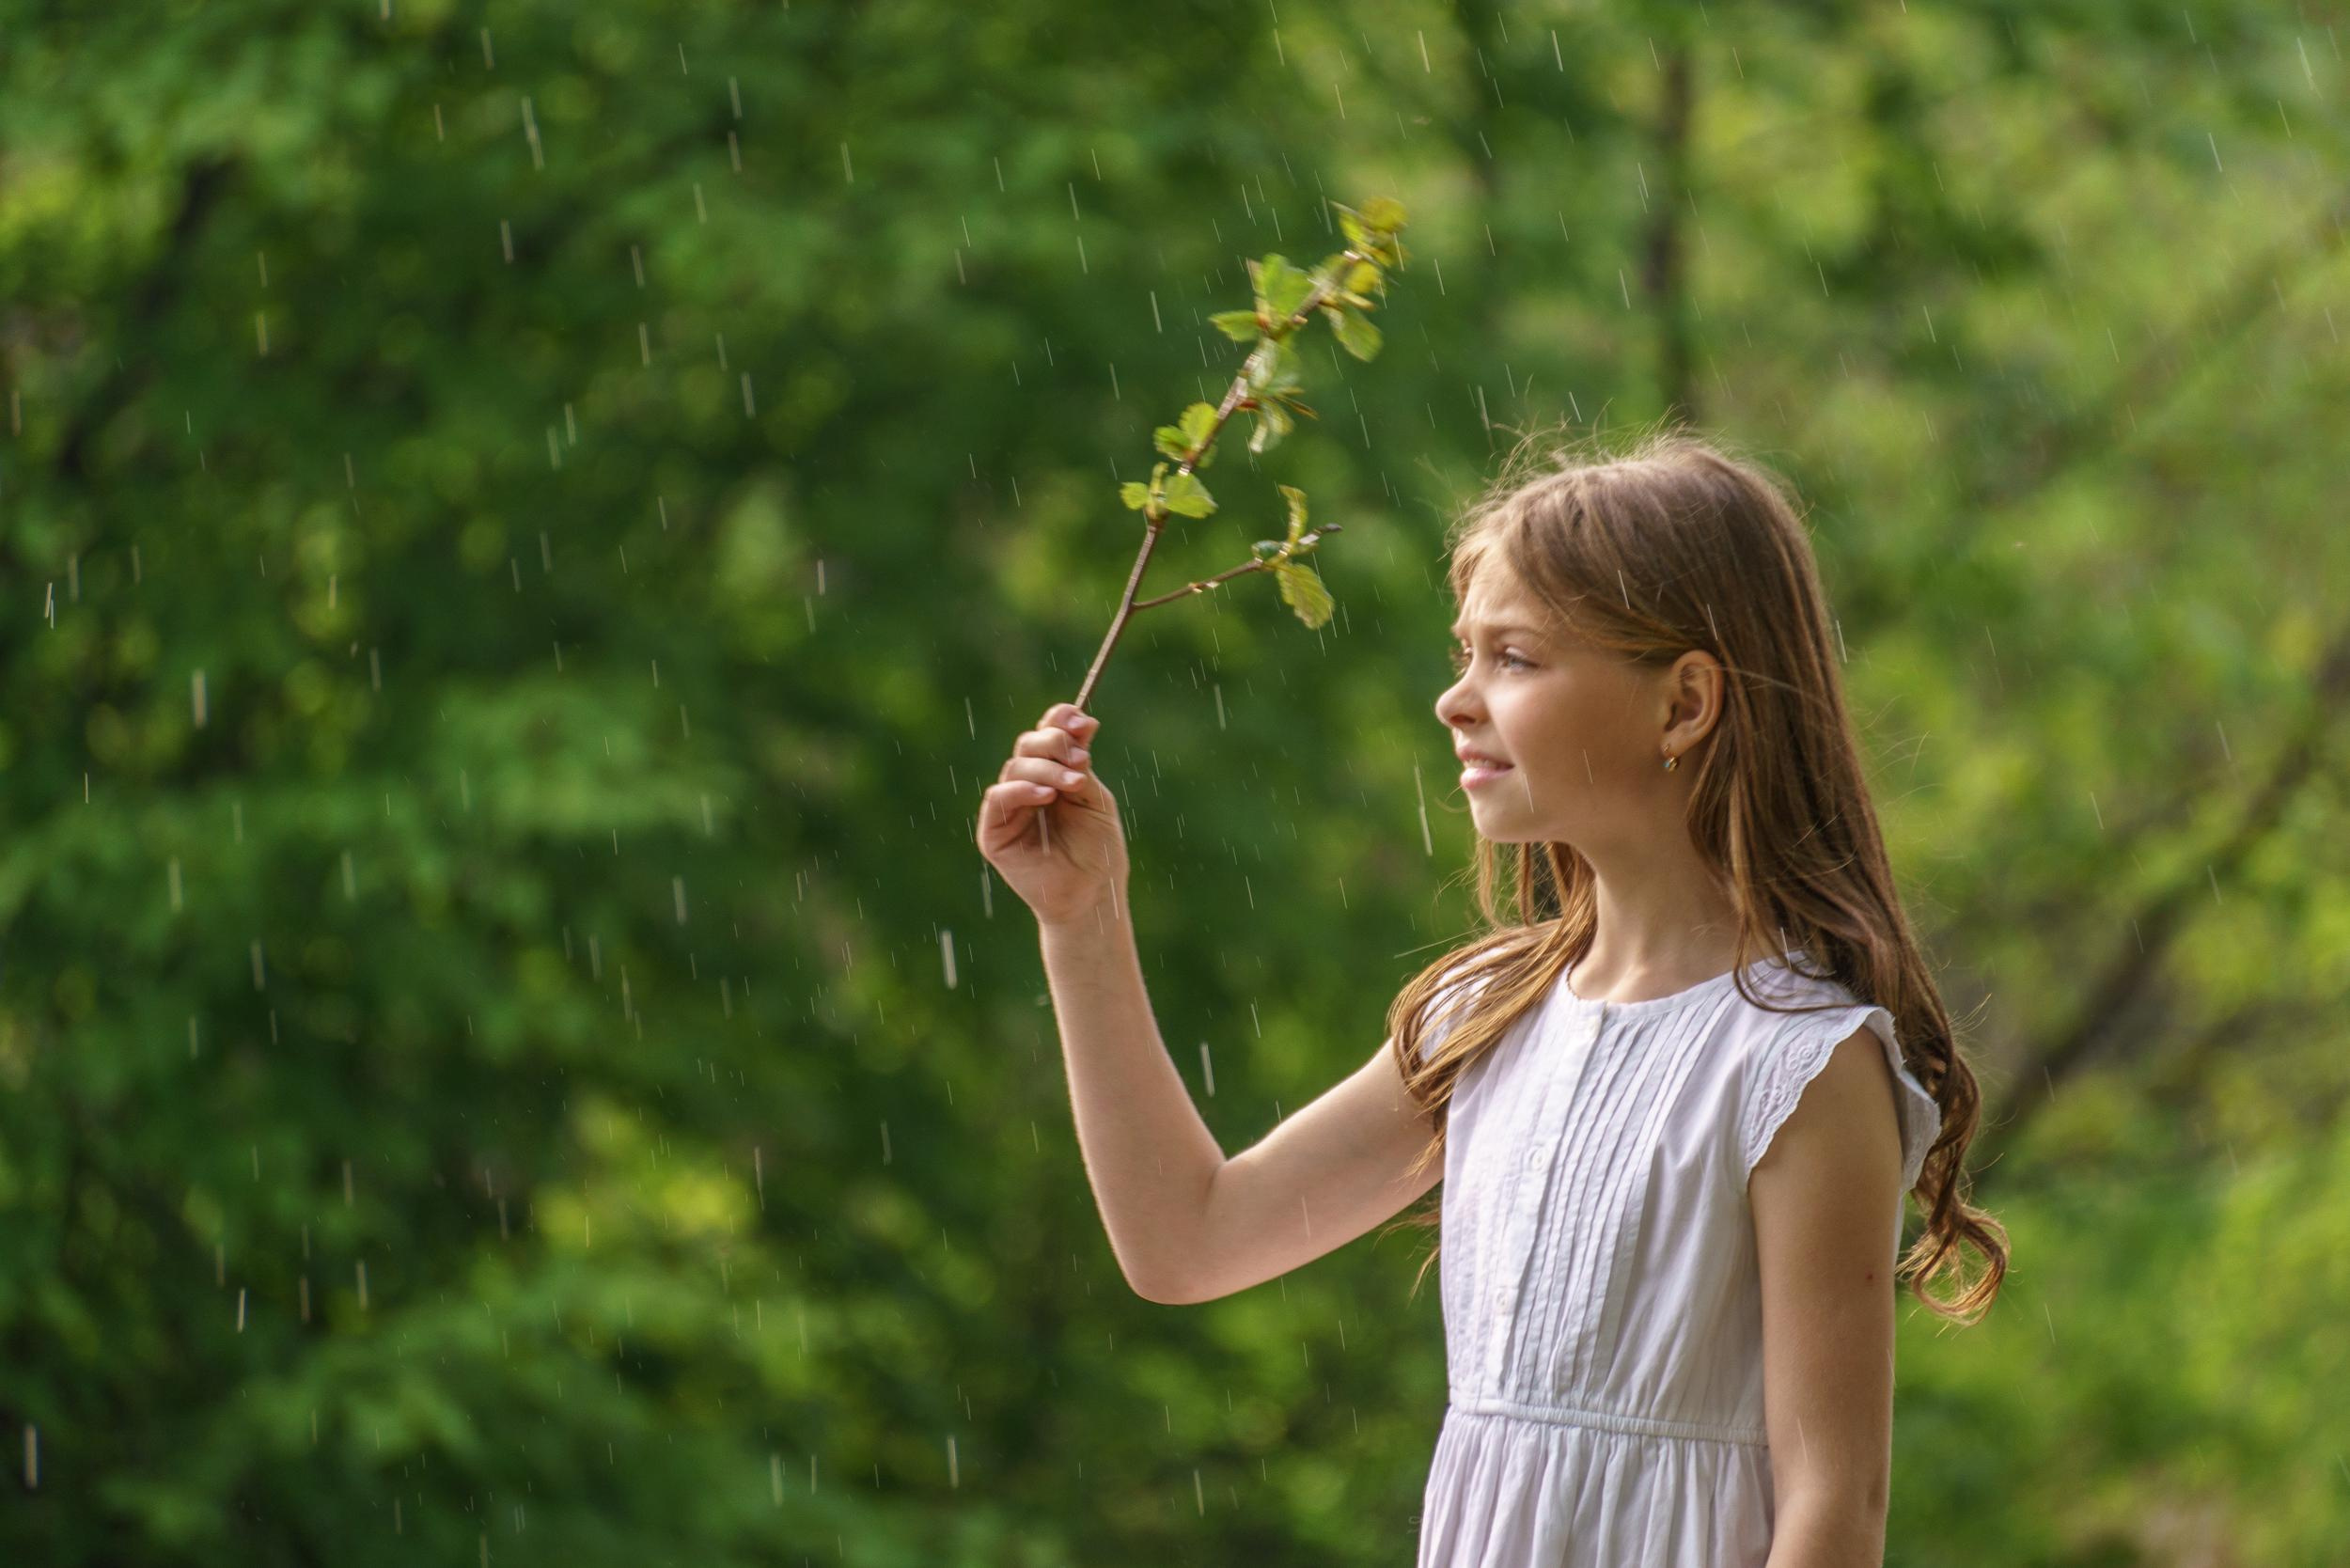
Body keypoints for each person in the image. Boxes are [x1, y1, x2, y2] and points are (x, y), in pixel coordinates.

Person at [975, 421, 2009, 1567]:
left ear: (1683, 705)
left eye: (1513, 659)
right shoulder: (1483, 1017)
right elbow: (1187, 1240)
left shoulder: (1797, 1066)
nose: (1454, 701)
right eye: (1464, 655)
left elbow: (1833, 1507)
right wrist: (1082, 921)